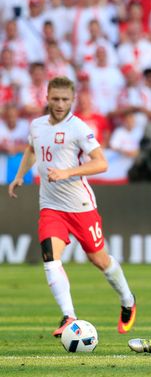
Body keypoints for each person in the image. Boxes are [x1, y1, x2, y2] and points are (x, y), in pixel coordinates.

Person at [7, 76, 137, 337]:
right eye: (55, 98)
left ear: (72, 100)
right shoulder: (37, 125)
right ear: (47, 97)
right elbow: (32, 150)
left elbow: (101, 163)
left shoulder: (79, 128)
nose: (59, 104)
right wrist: (20, 175)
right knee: (50, 256)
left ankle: (128, 300)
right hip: (50, 205)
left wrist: (67, 172)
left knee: (99, 259)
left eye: (65, 99)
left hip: (80, 205)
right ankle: (69, 316)